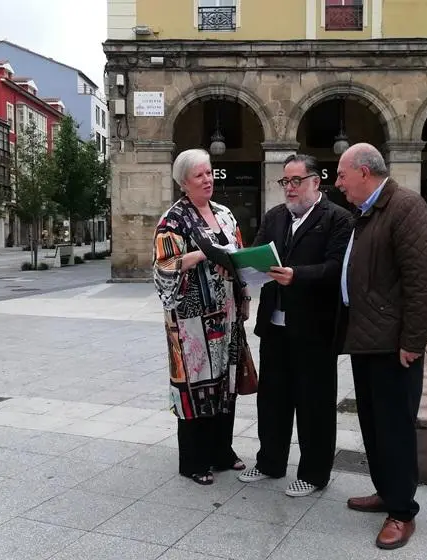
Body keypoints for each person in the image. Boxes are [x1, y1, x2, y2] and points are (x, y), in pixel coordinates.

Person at [335, 143, 427, 550]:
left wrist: (413, 341)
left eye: (343, 175)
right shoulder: (365, 214)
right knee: (374, 426)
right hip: (366, 338)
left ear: (364, 172)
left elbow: (422, 281)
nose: (338, 183)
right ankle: (386, 491)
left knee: (395, 428)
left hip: (393, 343)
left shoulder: (405, 207)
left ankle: (401, 512)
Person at [237, 154, 353, 497]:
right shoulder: (275, 218)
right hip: (274, 327)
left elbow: (337, 268)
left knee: (314, 404)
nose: (289, 188)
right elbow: (256, 255)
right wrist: (243, 267)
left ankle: (315, 473)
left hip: (315, 330)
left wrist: (297, 276)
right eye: (285, 182)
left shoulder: (338, 220)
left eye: (295, 181)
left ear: (316, 182)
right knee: (272, 399)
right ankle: (270, 461)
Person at [153, 148, 252, 486]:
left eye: (210, 173)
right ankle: (194, 460)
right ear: (184, 182)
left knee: (225, 384)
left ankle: (222, 451)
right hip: (190, 322)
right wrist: (197, 255)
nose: (208, 180)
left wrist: (245, 297)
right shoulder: (173, 220)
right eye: (200, 175)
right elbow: (164, 266)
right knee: (195, 389)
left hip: (226, 316)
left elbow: (237, 257)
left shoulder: (225, 214)